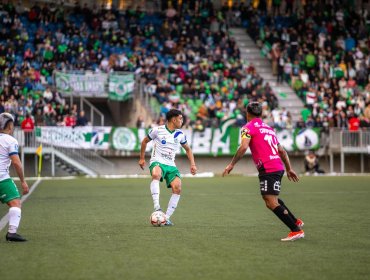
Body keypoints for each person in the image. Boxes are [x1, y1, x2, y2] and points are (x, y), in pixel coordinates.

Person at [222, 102, 304, 241]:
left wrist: (231, 164)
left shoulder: (247, 128)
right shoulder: (269, 129)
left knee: (270, 202)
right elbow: (282, 150)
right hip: (277, 166)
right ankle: (295, 221)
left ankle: (296, 230)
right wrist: (289, 168)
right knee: (271, 198)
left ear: (247, 113)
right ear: (260, 114)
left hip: (268, 167)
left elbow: (243, 147)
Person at [139, 109, 197, 226]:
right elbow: (144, 141)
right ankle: (157, 207)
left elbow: (188, 149)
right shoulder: (157, 130)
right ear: (174, 119)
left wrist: (193, 164)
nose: (182, 121)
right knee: (156, 174)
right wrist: (141, 158)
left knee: (178, 188)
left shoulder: (180, 134)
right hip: (157, 161)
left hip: (171, 165)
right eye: (180, 118)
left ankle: (166, 218)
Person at [0, 113, 29, 242]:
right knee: (15, 203)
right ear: (10, 126)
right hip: (2, 178)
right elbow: (17, 163)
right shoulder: (10, 140)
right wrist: (23, 181)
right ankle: (12, 233)